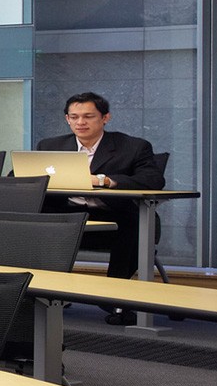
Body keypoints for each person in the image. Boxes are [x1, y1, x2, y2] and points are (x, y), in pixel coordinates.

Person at [37, 91, 166, 313]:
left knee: (138, 223)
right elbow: (18, 176)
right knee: (26, 220)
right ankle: (40, 293)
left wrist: (105, 181)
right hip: (68, 216)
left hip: (116, 217)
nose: (80, 122)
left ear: (105, 118)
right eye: (74, 117)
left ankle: (113, 297)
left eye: (88, 116)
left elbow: (153, 179)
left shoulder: (133, 146)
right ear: (67, 119)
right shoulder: (50, 145)